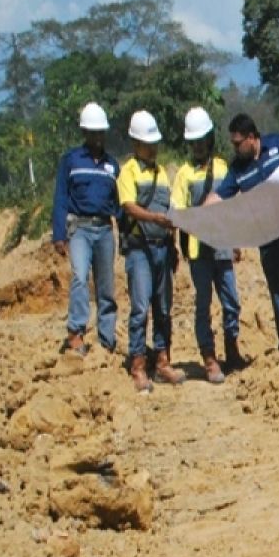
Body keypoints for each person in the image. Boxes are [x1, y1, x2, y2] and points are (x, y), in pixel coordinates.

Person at [204, 113, 279, 352]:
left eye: (238, 143)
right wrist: (200, 211)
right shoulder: (238, 169)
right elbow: (220, 195)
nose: (235, 148)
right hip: (270, 239)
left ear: (252, 138)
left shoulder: (278, 145)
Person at [170, 107, 246, 383]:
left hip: (223, 245)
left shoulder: (224, 167)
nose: (198, 146)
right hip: (198, 250)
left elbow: (233, 208)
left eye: (202, 141)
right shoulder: (184, 175)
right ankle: (209, 358)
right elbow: (177, 211)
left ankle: (232, 348)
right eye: (194, 142)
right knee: (203, 304)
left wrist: (235, 240)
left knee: (231, 301)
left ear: (210, 139)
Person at [118, 110, 185, 392]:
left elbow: (170, 209)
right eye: (148, 144)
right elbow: (128, 206)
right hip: (139, 249)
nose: (153, 148)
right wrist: (154, 218)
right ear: (136, 144)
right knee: (140, 308)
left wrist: (172, 243)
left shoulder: (161, 174)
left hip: (161, 248)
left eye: (155, 143)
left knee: (164, 308)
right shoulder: (128, 171)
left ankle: (161, 360)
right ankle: (138, 366)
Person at [51, 102, 120, 356]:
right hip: (79, 227)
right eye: (93, 133)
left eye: (101, 132)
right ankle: (76, 332)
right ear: (85, 133)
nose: (98, 137)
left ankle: (106, 337)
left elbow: (119, 203)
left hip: (104, 230)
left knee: (106, 285)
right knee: (80, 277)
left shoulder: (112, 166)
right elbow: (60, 198)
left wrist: (127, 234)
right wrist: (59, 235)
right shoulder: (71, 161)